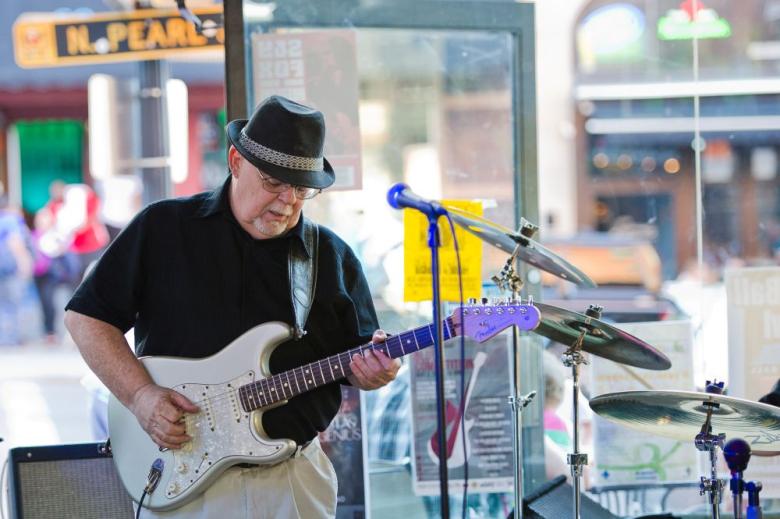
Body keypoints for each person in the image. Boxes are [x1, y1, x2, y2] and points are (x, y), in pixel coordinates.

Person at [64, 95, 400, 519]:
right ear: (236, 161)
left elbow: (357, 357)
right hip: (183, 476)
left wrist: (376, 372)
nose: (287, 201)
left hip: (292, 481)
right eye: (274, 182)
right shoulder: (164, 228)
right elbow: (86, 317)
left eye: (301, 188)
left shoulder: (329, 254)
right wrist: (141, 396)